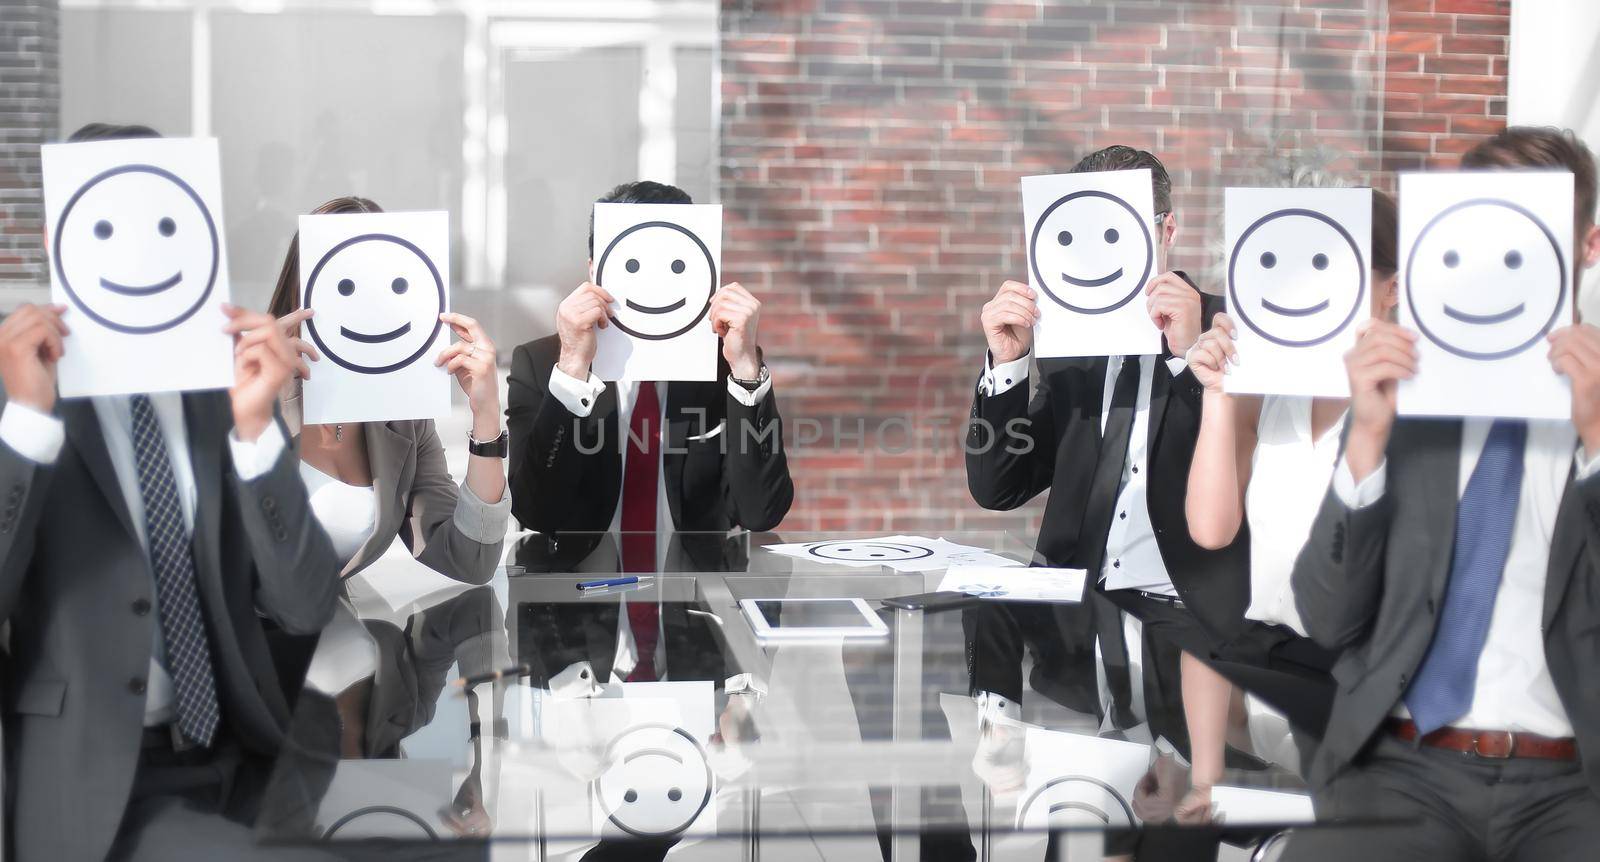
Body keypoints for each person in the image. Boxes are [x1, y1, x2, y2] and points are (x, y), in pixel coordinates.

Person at [0, 121, 339, 861]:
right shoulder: (20, 393)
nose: (140, 255)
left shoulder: (216, 394)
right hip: (97, 789)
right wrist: (25, 423)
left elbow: (305, 603)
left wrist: (255, 433)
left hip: (242, 760)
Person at [1285, 126, 1600, 860]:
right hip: (1403, 766)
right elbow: (1328, 619)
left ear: (1587, 244)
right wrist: (1364, 439)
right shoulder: (1408, 390)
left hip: (1573, 784)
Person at [966, 144, 1249, 745]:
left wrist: (1188, 357)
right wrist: (1007, 365)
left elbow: (1247, 480)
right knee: (975, 598)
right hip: (1078, 608)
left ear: (1167, 229)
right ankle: (999, 740)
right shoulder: (1075, 346)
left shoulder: (1233, 329)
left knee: (1152, 814)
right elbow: (999, 486)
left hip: (1183, 612)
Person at [1177, 189, 1400, 821]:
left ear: (1391, 286)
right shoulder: (1270, 389)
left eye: (1333, 266)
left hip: (1374, 698)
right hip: (1276, 685)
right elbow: (1211, 528)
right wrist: (1220, 397)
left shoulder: (1419, 392)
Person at [265, 195, 512, 756]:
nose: (369, 304)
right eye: (347, 282)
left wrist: (485, 416)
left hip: (332, 647)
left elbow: (469, 560)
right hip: (240, 663)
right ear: (307, 286)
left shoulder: (399, 413)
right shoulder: (244, 385)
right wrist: (247, 406)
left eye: (389, 285)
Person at [505, 180, 794, 551]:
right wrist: (573, 368)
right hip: (579, 592)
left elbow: (761, 512)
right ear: (594, 271)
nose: (654, 286)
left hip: (694, 595)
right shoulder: (542, 364)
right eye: (635, 266)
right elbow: (536, 512)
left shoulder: (726, 369)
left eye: (675, 266)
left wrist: (745, 367)